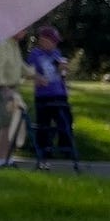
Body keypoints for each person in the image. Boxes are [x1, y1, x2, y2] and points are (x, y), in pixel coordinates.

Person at [0, 34, 31, 166]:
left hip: (11, 90)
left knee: (16, 122)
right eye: (23, 29)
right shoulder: (1, 44)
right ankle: (0, 160)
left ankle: (8, 158)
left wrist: (36, 75)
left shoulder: (13, 45)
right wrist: (3, 88)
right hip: (0, 89)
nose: (24, 32)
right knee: (7, 124)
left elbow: (20, 66)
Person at [27, 25, 71, 159]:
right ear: (43, 40)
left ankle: (66, 148)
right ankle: (43, 148)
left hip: (59, 93)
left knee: (65, 120)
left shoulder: (57, 53)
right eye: (52, 41)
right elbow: (29, 72)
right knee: (44, 123)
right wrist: (36, 77)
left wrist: (64, 70)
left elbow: (60, 73)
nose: (54, 44)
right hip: (44, 95)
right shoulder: (35, 55)